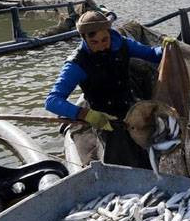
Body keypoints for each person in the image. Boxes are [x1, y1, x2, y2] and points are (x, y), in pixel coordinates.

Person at [45, 10, 162, 167]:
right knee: (119, 161)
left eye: (104, 40)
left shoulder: (122, 44)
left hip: (131, 108)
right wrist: (87, 115)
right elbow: (52, 101)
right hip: (104, 117)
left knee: (151, 151)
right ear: (84, 39)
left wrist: (167, 47)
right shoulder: (77, 64)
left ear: (109, 33)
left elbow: (152, 54)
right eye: (94, 42)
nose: (101, 46)